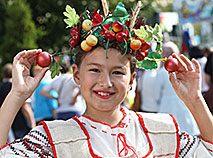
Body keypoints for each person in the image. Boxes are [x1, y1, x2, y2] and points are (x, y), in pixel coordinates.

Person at [0, 2, 213, 158]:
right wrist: (17, 95)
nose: (106, 82)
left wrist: (195, 100)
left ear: (132, 79)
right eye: (94, 70)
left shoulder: (163, 130)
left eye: (118, 72)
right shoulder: (51, 140)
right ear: (76, 74)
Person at [154, 41, 200, 136]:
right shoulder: (186, 70)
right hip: (184, 108)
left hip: (166, 109)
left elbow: (156, 95)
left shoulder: (161, 72)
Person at [0, 63, 36, 140]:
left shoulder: (1, 87)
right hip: (20, 123)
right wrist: (32, 123)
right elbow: (25, 107)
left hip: (6, 126)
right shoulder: (17, 87)